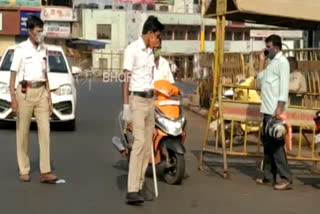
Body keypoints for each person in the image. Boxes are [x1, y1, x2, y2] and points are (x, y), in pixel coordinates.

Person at [9, 16, 58, 183]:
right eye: (38, 31)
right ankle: (24, 169)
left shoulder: (44, 49)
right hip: (24, 92)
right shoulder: (20, 49)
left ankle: (45, 171)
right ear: (30, 31)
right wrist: (13, 99)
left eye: (41, 31)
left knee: (45, 131)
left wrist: (50, 97)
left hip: (41, 92)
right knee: (23, 132)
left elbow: (46, 74)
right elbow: (13, 75)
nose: (40, 34)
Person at [122, 16, 164, 205]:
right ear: (149, 33)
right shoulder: (132, 50)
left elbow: (154, 70)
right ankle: (131, 190)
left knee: (148, 146)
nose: (158, 40)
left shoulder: (151, 52)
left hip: (150, 100)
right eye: (157, 36)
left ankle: (139, 186)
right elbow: (126, 79)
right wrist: (126, 106)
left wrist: (157, 51)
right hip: (137, 100)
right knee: (138, 144)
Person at [255, 34, 292, 190]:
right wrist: (262, 62)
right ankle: (268, 176)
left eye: (268, 47)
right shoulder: (271, 63)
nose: (266, 50)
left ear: (276, 47)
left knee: (276, 146)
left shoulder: (282, 63)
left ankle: (286, 178)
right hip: (267, 110)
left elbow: (284, 87)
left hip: (275, 111)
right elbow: (259, 78)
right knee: (267, 144)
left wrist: (280, 108)